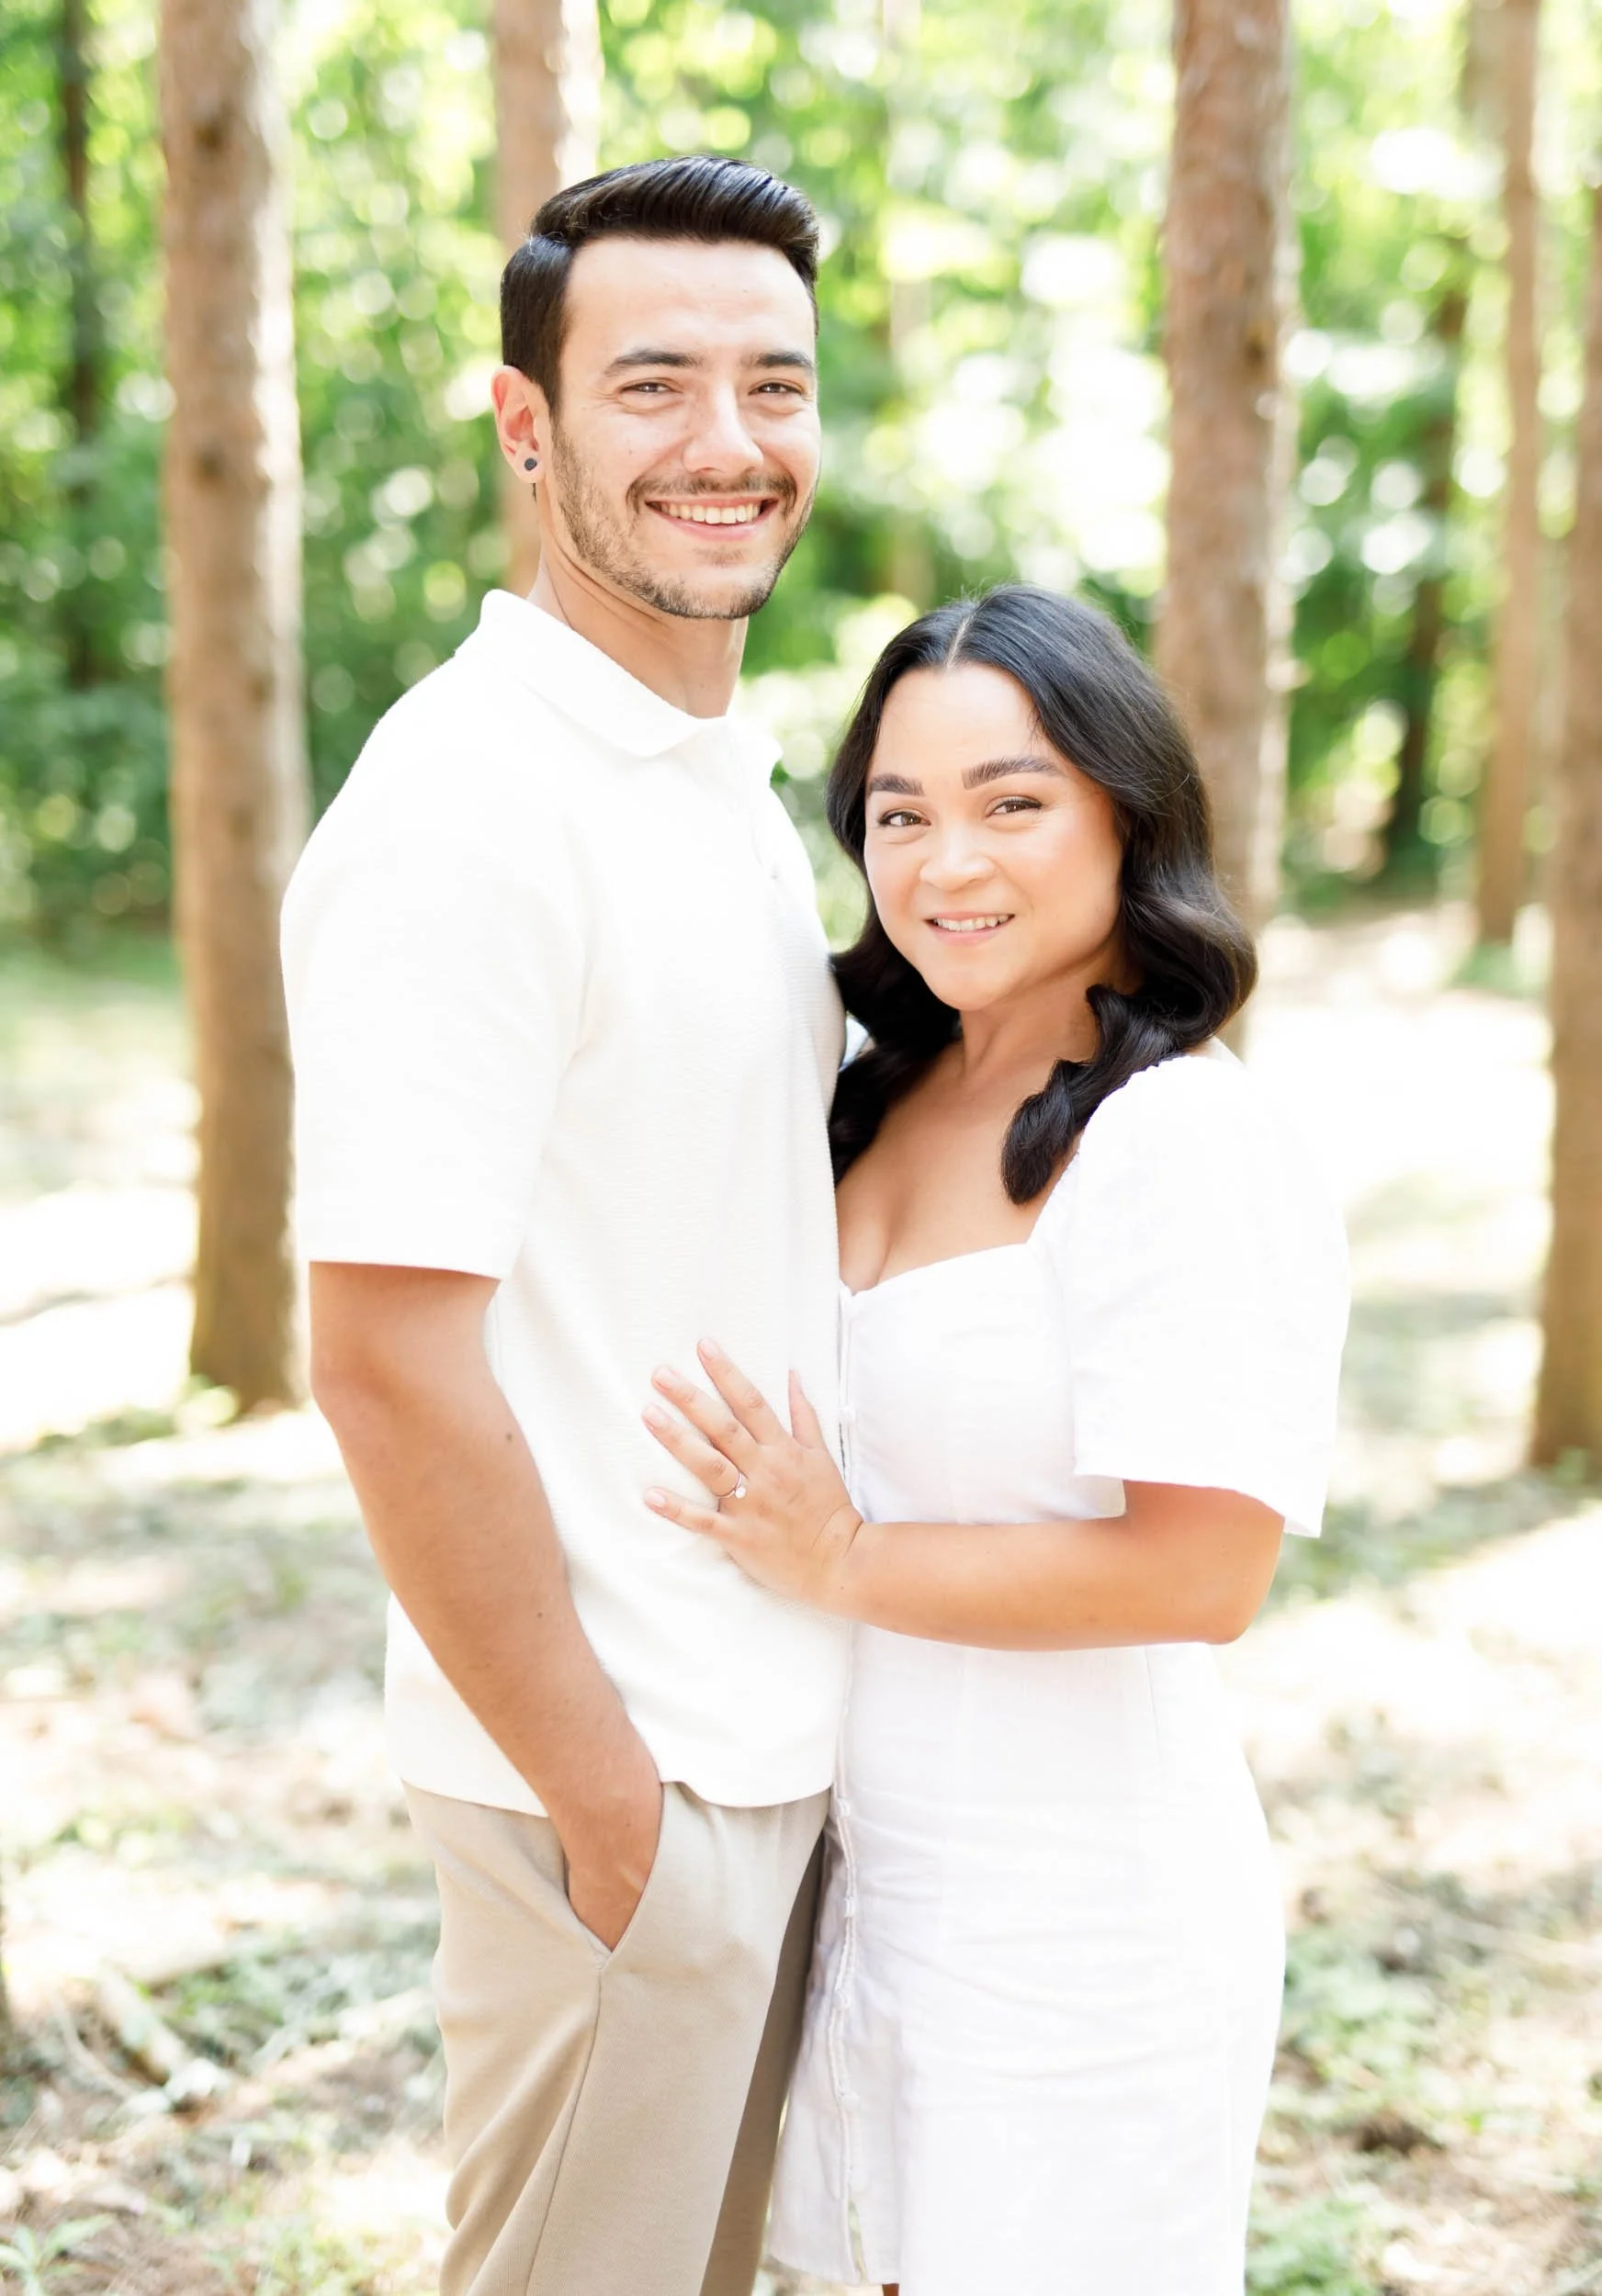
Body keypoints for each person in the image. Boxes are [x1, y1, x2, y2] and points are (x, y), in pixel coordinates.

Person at [280, 157, 850, 2296]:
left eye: (772, 383)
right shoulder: (471, 808)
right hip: (626, 1796)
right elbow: (385, 1359)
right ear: (528, 430)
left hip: (763, 1757)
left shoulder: (704, 782)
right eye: (652, 385)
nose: (726, 443)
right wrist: (614, 1809)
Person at [640, 584, 1350, 2296]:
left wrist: (846, 1560)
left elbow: (1207, 1568)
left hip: (1086, 1919)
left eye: (1011, 802)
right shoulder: (864, 1097)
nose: (947, 860)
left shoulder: (1178, 1135)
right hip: (867, 1894)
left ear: (1129, 812)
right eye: (900, 814)